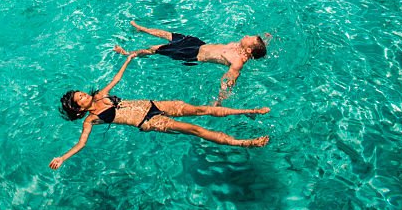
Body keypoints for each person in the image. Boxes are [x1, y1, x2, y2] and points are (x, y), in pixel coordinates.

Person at [49, 53, 270, 170]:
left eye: (82, 93)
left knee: (201, 109)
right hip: (148, 121)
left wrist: (128, 58)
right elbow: (82, 143)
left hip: (154, 104)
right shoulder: (91, 120)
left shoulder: (100, 95)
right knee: (194, 128)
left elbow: (116, 78)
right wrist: (62, 157)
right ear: (79, 109)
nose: (85, 96)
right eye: (81, 98)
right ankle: (244, 143)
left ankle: (248, 111)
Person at [114, 19, 270, 105]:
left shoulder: (238, 61)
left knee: (155, 48)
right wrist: (266, 39)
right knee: (169, 35)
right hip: (198, 43)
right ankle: (142, 29)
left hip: (192, 54)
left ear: (248, 51)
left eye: (251, 38)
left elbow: (229, 80)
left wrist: (220, 100)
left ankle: (128, 54)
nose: (247, 35)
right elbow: (259, 49)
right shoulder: (239, 46)